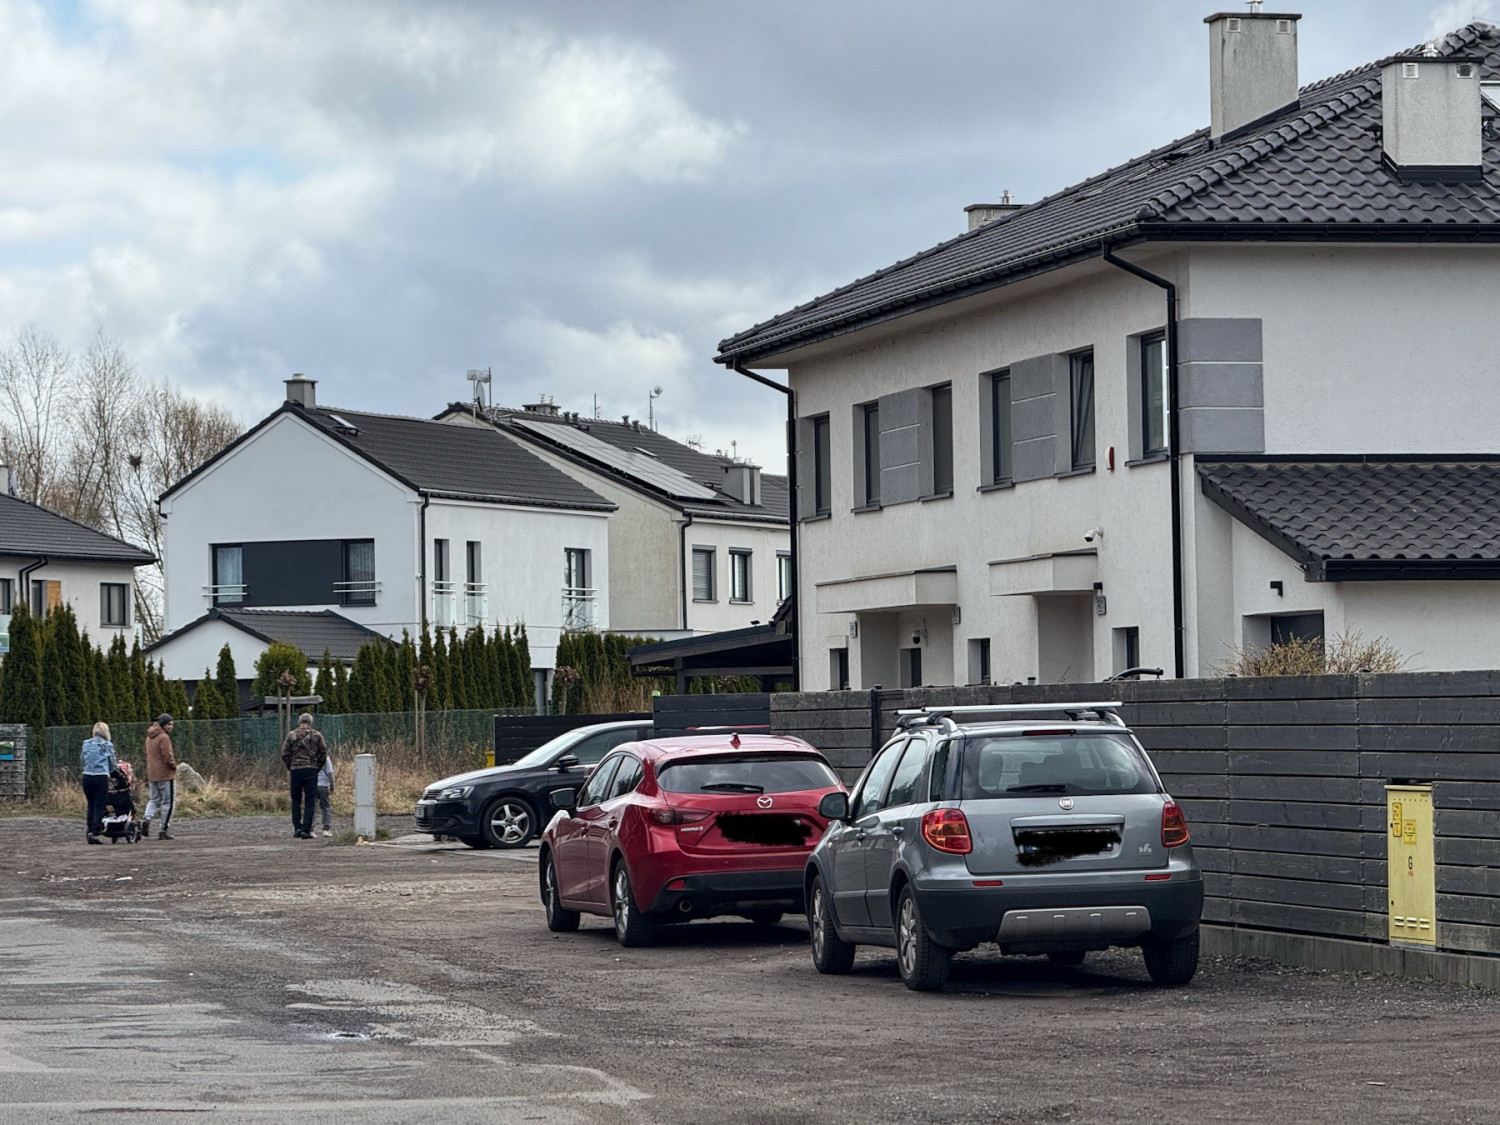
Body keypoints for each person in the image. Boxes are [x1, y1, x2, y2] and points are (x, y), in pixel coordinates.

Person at [281, 713, 328, 840]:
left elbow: (284, 753)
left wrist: (291, 766)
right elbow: (323, 753)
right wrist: (317, 767)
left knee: (296, 799)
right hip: (311, 769)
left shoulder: (291, 735)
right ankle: (306, 829)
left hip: (296, 770)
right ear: (310, 722)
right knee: (310, 801)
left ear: (299, 722)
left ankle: (297, 828)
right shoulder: (317, 735)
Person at [80, 722, 117, 845]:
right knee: (99, 805)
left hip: (87, 776)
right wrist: (111, 772)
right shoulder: (107, 745)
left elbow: (82, 759)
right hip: (101, 776)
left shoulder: (86, 743)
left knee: (91, 804)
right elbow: (112, 763)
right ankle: (96, 830)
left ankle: (90, 829)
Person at [143, 714, 177, 841]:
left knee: (154, 800)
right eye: (169, 724)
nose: (171, 726)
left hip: (152, 774)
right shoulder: (164, 737)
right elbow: (167, 756)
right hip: (165, 774)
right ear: (163, 724)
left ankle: (147, 818)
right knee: (168, 803)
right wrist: (174, 766)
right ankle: (163, 829)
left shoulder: (149, 737)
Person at [315, 753, 335, 838]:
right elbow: (330, 773)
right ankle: (326, 829)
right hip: (323, 785)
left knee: (312, 807)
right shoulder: (325, 758)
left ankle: (310, 829)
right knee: (325, 807)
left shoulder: (310, 756)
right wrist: (332, 786)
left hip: (312, 784)